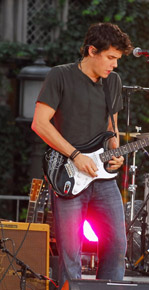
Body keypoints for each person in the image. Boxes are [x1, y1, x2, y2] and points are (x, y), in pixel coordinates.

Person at [31, 23, 133, 288]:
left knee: (117, 244)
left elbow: (112, 129)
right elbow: (40, 124)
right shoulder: (60, 75)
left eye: (117, 59)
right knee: (70, 253)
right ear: (92, 51)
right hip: (67, 172)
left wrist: (115, 153)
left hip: (102, 176)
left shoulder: (114, 82)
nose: (115, 65)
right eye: (111, 58)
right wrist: (75, 155)